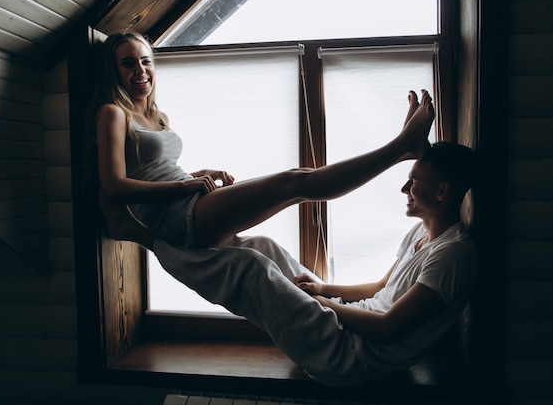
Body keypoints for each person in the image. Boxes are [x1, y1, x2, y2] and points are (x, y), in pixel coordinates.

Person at [99, 140, 478, 387]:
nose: (404, 189)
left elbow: (385, 328)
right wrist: (324, 290)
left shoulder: (453, 254)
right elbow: (380, 290)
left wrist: (320, 304)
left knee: (252, 269)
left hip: (355, 358)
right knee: (263, 246)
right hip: (353, 325)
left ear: (443, 192)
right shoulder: (419, 235)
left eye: (413, 182)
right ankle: (162, 235)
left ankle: (146, 237)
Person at [86, 32, 435, 249]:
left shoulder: (159, 117)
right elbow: (114, 188)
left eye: (146, 61)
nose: (140, 71)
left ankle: (403, 147)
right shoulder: (113, 113)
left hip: (185, 202)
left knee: (297, 186)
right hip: (174, 216)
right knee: (296, 181)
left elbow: (152, 172)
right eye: (128, 64)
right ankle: (402, 147)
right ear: (113, 71)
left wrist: (196, 174)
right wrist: (184, 185)